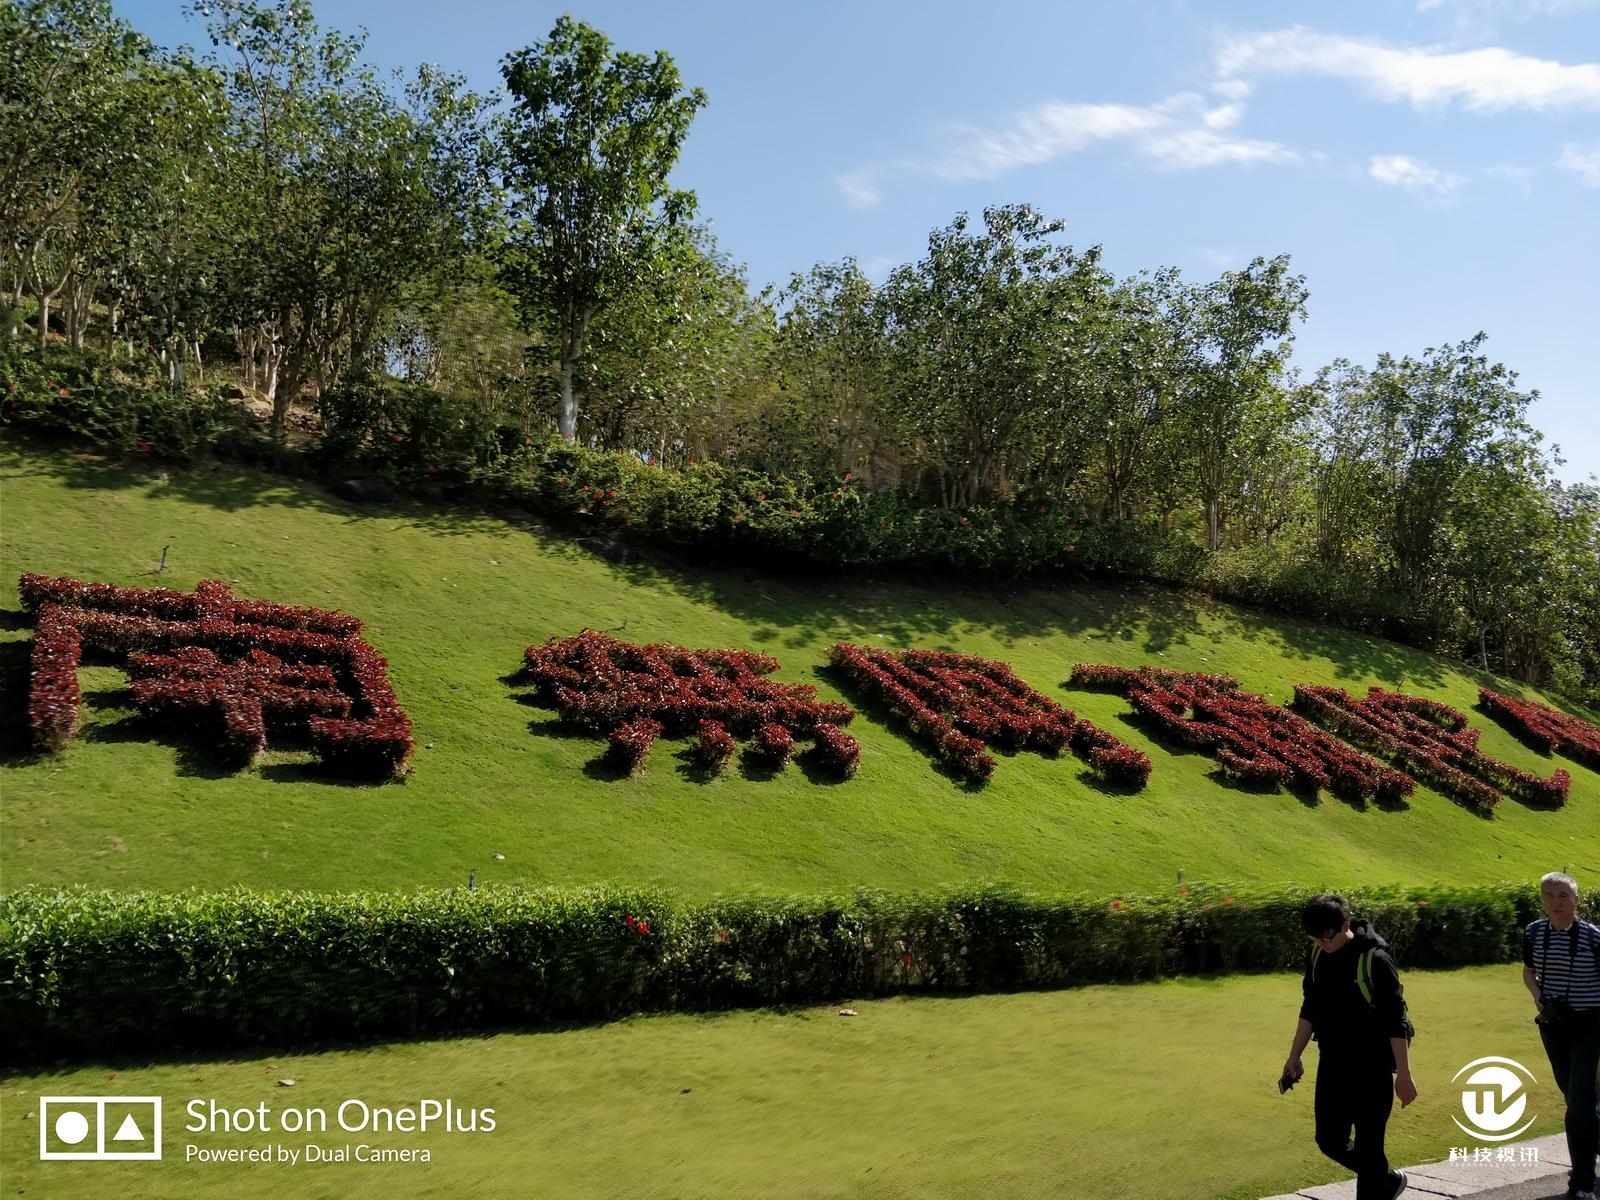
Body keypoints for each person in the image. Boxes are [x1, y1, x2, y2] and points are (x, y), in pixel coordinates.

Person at [1282, 894, 1416, 1200]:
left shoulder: (1375, 960)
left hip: (1372, 1068)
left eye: (1326, 937)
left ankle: (1376, 1179)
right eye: (1314, 938)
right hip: (1332, 1063)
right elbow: (1310, 1009)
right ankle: (1385, 1179)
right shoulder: (1317, 956)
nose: (1321, 944)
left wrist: (1404, 1076)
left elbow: (1396, 1021)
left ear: (1345, 926)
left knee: (1370, 1149)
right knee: (1329, 1140)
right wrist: (1294, 1055)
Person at [1522, 871, 1600, 1200]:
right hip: (1554, 1026)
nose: (1556, 902)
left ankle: (1582, 1181)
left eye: (1563, 896)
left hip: (1590, 1024)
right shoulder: (1534, 932)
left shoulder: (1594, 938)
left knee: (1579, 1105)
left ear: (1576, 900)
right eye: (1550, 896)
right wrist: (1537, 993)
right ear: (1542, 900)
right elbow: (1528, 970)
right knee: (1575, 1099)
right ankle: (1589, 1146)